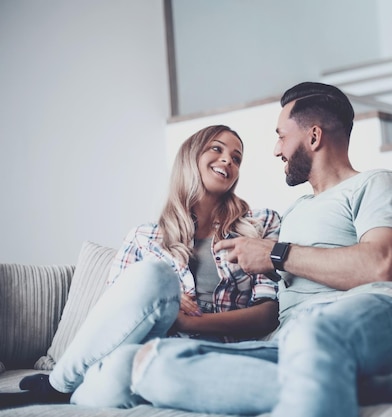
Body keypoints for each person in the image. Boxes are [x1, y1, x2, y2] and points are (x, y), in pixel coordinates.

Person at [123, 82, 392, 417]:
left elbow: (382, 265)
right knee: (156, 366)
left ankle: (332, 382)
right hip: (289, 338)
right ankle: (380, 387)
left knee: (313, 335)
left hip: (370, 316)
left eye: (282, 135)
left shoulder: (375, 183)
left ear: (313, 137)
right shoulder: (293, 212)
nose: (276, 150)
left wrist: (276, 254)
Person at [3, 125, 281, 408]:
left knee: (124, 365)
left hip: (194, 358)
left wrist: (190, 321)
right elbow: (115, 314)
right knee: (154, 277)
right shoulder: (144, 236)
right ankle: (60, 385)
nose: (228, 161)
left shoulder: (259, 224)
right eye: (217, 148)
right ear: (191, 155)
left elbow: (268, 313)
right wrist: (166, 299)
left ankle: (55, 387)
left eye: (236, 158)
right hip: (140, 347)